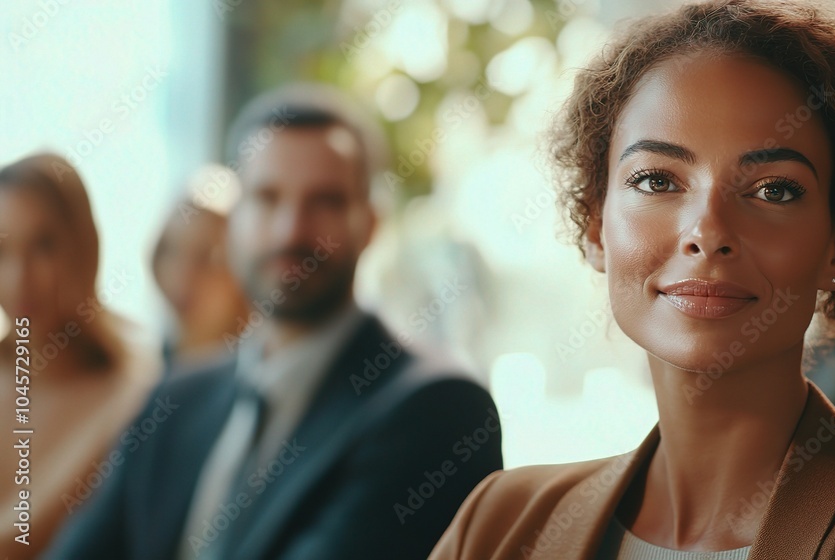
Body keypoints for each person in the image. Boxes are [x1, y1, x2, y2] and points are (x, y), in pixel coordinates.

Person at [431, 1, 835, 559]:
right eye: (657, 180)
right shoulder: (498, 525)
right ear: (595, 224)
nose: (708, 230)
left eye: (774, 189)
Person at [46, 84, 503, 559]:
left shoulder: (438, 409)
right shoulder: (174, 404)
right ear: (234, 221)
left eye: (324, 202)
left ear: (370, 223)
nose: (292, 230)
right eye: (267, 198)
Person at [0, 153, 156, 558]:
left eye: (45, 246)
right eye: (1, 250)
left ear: (85, 245)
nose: (20, 276)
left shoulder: (137, 386)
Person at [152, 195, 248, 376]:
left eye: (208, 258)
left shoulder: (256, 378)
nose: (182, 276)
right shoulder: (142, 373)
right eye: (170, 251)